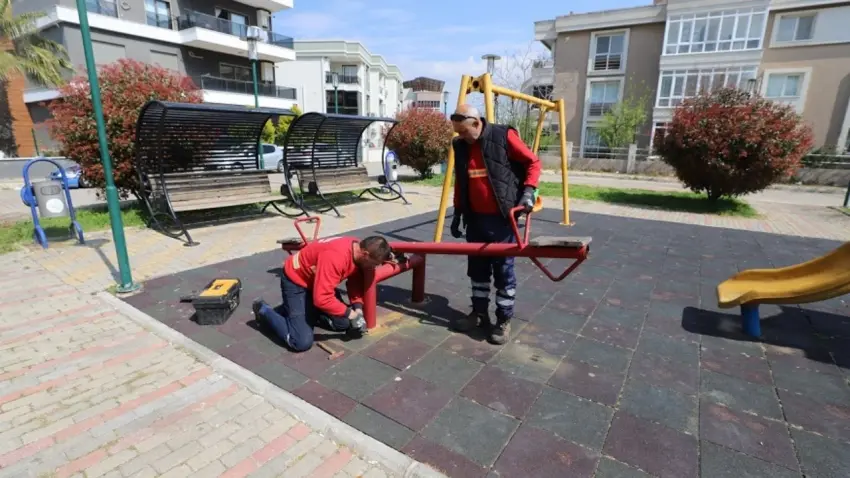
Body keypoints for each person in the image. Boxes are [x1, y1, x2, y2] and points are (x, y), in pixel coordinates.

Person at [449, 104, 542, 345]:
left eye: (463, 131)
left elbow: (533, 162)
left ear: (477, 123)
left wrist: (529, 191)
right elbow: (461, 181)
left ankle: (503, 320)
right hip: (476, 219)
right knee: (477, 270)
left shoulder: (503, 136)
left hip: (503, 218)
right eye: (458, 132)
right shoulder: (460, 146)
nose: (461, 137)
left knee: (503, 271)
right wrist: (458, 212)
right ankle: (479, 314)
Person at [253, 236, 393, 352]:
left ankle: (299, 309)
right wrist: (350, 314)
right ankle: (264, 311)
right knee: (301, 342)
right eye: (374, 264)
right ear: (365, 254)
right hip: (295, 281)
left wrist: (358, 309)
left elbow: (354, 281)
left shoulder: (358, 249)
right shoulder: (337, 257)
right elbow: (322, 299)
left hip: (317, 283)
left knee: (342, 323)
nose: (374, 267)